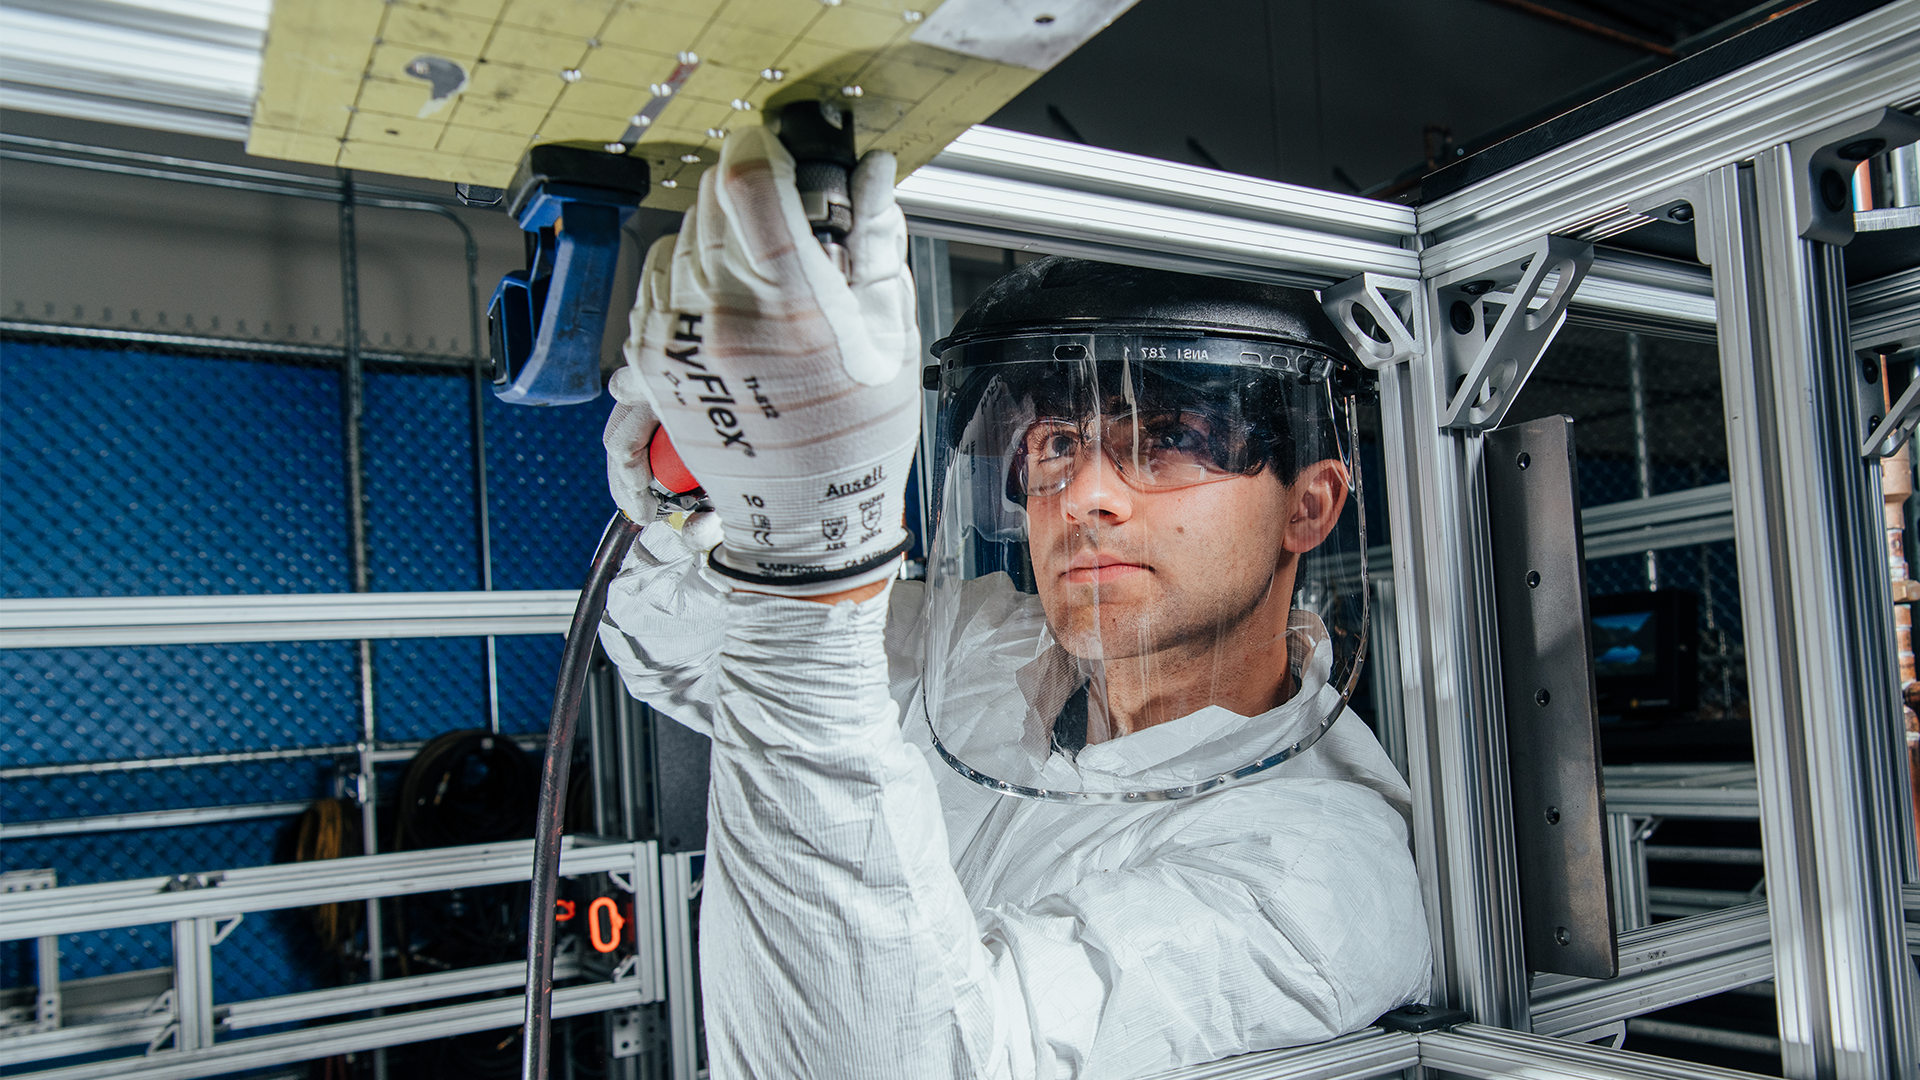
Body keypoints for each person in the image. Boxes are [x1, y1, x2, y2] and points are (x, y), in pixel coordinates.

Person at [597, 123, 1430, 1079]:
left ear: (1310, 506)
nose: (1084, 495)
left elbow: (907, 1062)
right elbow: (681, 651)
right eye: (1053, 448)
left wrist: (811, 565)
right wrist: (707, 501)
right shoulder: (986, 647)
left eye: (1169, 438)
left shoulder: (1323, 875)